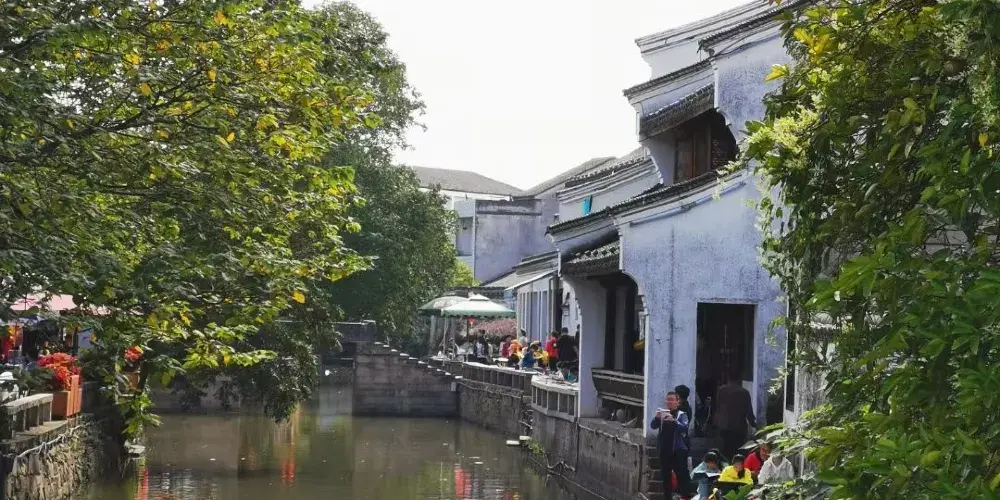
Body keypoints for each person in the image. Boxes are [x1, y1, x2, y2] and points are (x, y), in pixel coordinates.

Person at [651, 391, 692, 499]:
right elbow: (653, 426)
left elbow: (684, 428)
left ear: (677, 402)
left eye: (672, 400)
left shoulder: (682, 414)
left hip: (678, 450)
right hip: (664, 450)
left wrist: (674, 421)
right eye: (668, 400)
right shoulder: (663, 413)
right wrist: (657, 417)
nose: (669, 402)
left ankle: (685, 497)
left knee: (682, 476)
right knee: (666, 477)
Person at [714, 371, 757, 459]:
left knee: (725, 450)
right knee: (738, 451)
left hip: (724, 426)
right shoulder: (744, 392)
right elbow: (748, 411)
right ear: (739, 379)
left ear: (728, 378)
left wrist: (715, 423)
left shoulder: (721, 390)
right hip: (739, 427)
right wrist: (754, 424)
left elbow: (716, 407)